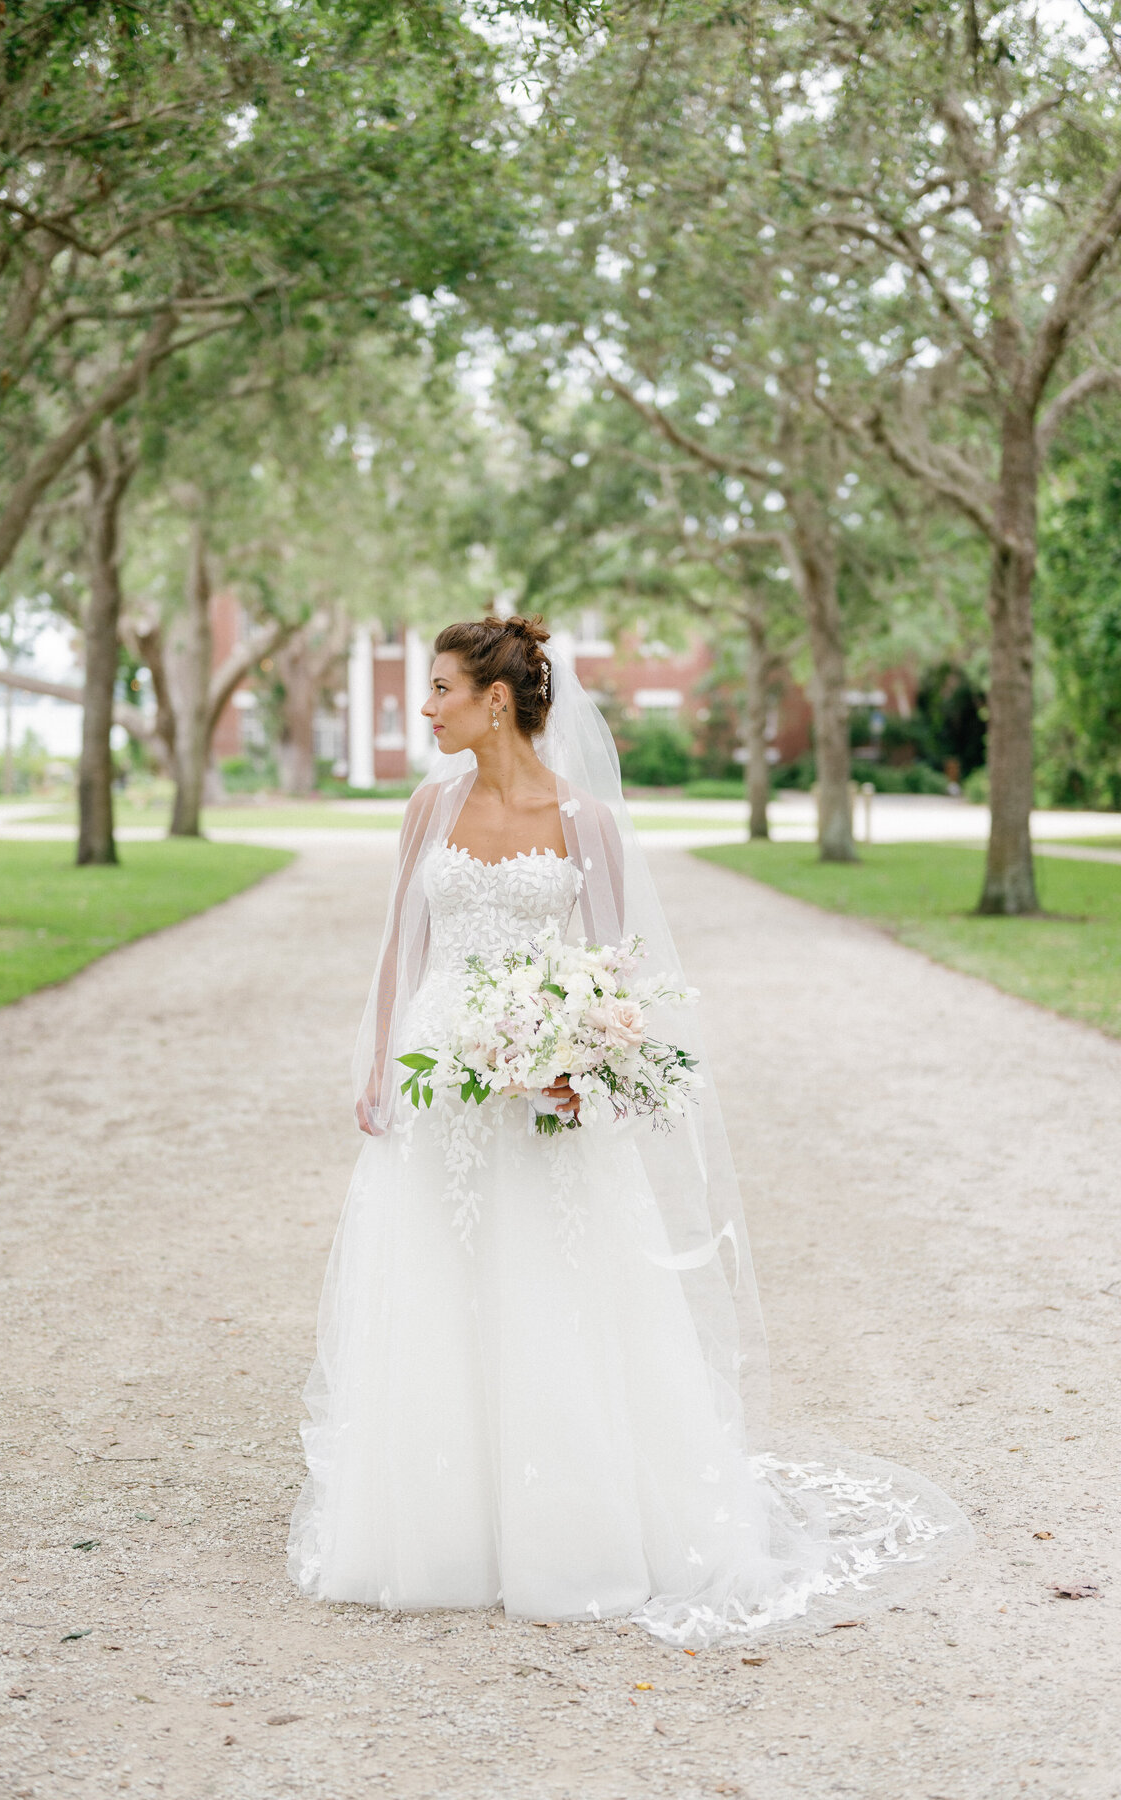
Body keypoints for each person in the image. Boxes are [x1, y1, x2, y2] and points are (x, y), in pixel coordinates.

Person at [287, 615, 971, 1647]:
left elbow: (622, 976)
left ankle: (570, 1526)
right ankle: (437, 1530)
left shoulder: (588, 823)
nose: (426, 708)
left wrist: (582, 1060)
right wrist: (380, 1063)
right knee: (432, 1284)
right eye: (426, 691)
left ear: (497, 701)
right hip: (440, 1093)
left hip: (543, 1097)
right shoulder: (427, 809)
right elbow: (401, 948)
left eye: (439, 690)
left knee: (551, 1289)